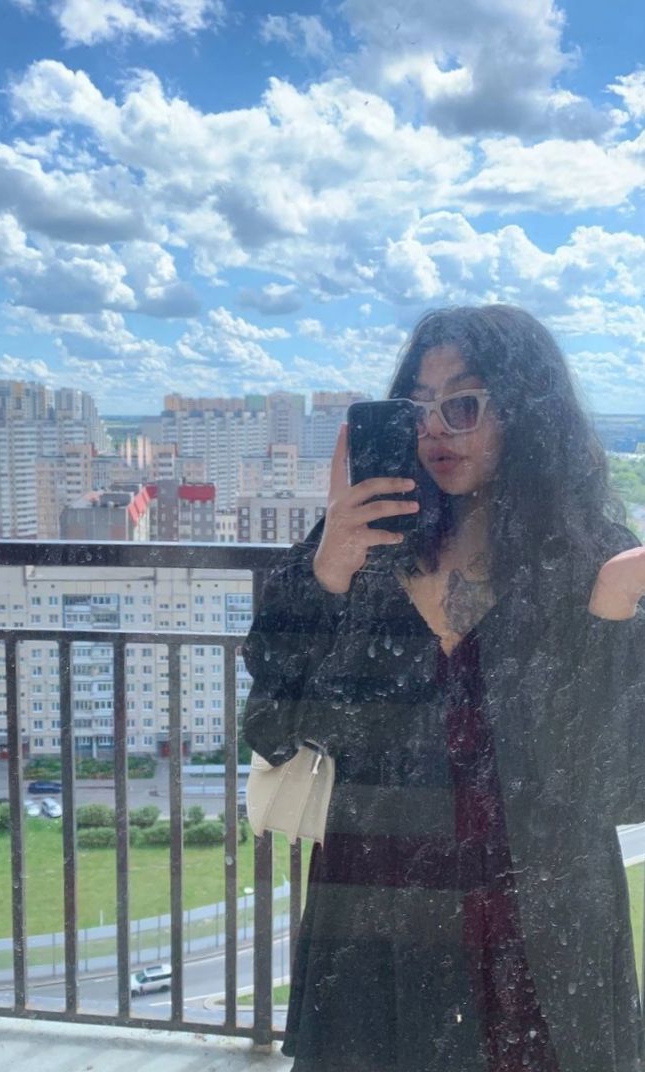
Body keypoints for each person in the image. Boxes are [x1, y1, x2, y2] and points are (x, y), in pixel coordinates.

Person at [242, 305, 645, 1072]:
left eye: (462, 405)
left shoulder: (589, 561)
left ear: (526, 416)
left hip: (537, 925)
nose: (434, 431)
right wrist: (327, 573)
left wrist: (612, 607)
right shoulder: (362, 545)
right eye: (417, 408)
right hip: (377, 914)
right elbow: (272, 724)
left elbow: (619, 787)